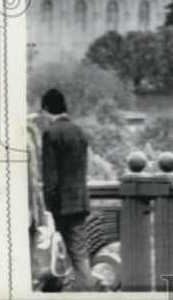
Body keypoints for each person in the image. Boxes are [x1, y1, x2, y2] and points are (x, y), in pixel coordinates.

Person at [40, 88, 97, 291]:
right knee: (79, 255)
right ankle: (88, 290)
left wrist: (47, 208)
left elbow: (51, 176)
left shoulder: (50, 133)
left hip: (60, 207)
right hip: (81, 202)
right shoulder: (79, 131)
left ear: (47, 109)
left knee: (55, 256)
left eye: (44, 113)